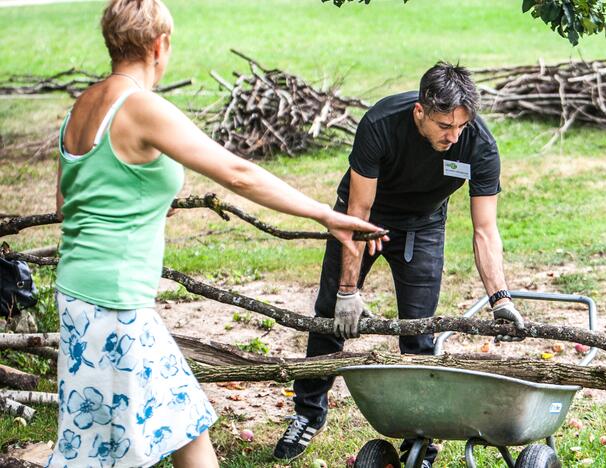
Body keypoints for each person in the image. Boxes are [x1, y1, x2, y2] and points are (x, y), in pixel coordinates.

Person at [46, 1, 386, 467]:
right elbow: (237, 173)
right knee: (106, 447)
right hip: (115, 302)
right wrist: (326, 215)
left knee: (182, 422)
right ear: (159, 45)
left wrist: (141, 201)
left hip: (82, 293)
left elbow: (70, 205)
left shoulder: (81, 107)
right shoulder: (141, 107)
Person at [273, 62, 525, 466]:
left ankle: (419, 439)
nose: (453, 136)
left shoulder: (478, 144)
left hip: (423, 225)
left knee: (419, 331)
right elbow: (358, 209)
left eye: (460, 126)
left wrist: (500, 299)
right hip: (365, 218)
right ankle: (307, 413)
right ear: (420, 112)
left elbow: (485, 230)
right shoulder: (382, 123)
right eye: (445, 125)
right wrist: (348, 292)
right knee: (329, 317)